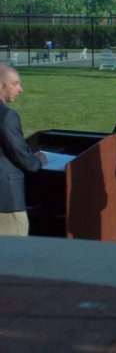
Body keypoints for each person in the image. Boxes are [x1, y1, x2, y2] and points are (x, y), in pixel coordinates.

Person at [0, 65, 47, 236]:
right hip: (7, 202)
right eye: (15, 83)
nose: (20, 89)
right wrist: (39, 160)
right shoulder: (6, 116)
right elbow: (24, 158)